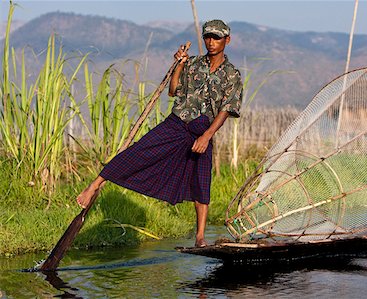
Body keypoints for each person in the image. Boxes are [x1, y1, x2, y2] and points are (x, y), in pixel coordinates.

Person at [76, 19, 243, 248]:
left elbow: (227, 109)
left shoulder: (232, 74)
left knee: (201, 182)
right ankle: (94, 185)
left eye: (216, 37)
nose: (211, 42)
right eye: (208, 37)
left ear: (227, 40)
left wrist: (206, 137)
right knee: (138, 151)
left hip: (202, 130)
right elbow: (173, 91)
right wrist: (179, 66)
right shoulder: (193, 64)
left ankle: (200, 237)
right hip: (177, 123)